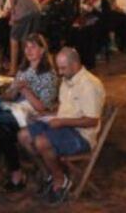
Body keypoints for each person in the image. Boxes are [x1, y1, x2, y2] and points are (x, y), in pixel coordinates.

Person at [18, 47, 105, 204]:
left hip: (81, 135)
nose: (59, 72)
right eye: (59, 68)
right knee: (23, 136)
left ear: (75, 64)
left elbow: (92, 121)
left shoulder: (89, 85)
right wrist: (47, 115)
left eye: (63, 68)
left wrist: (61, 121)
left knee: (41, 142)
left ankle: (60, 179)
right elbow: (66, 109)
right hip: (64, 126)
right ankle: (49, 173)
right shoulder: (67, 80)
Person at [0, 33, 59, 191]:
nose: (28, 50)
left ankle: (13, 171)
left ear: (42, 50)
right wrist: (8, 92)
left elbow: (43, 108)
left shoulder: (49, 74)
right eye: (26, 47)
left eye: (33, 47)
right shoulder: (23, 70)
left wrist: (25, 90)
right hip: (17, 111)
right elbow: (10, 96)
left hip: (33, 117)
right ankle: (15, 171)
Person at [1, 0, 41, 75]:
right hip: (36, 8)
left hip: (23, 9)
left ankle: (13, 69)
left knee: (14, 37)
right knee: (28, 39)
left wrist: (13, 12)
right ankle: (28, 67)